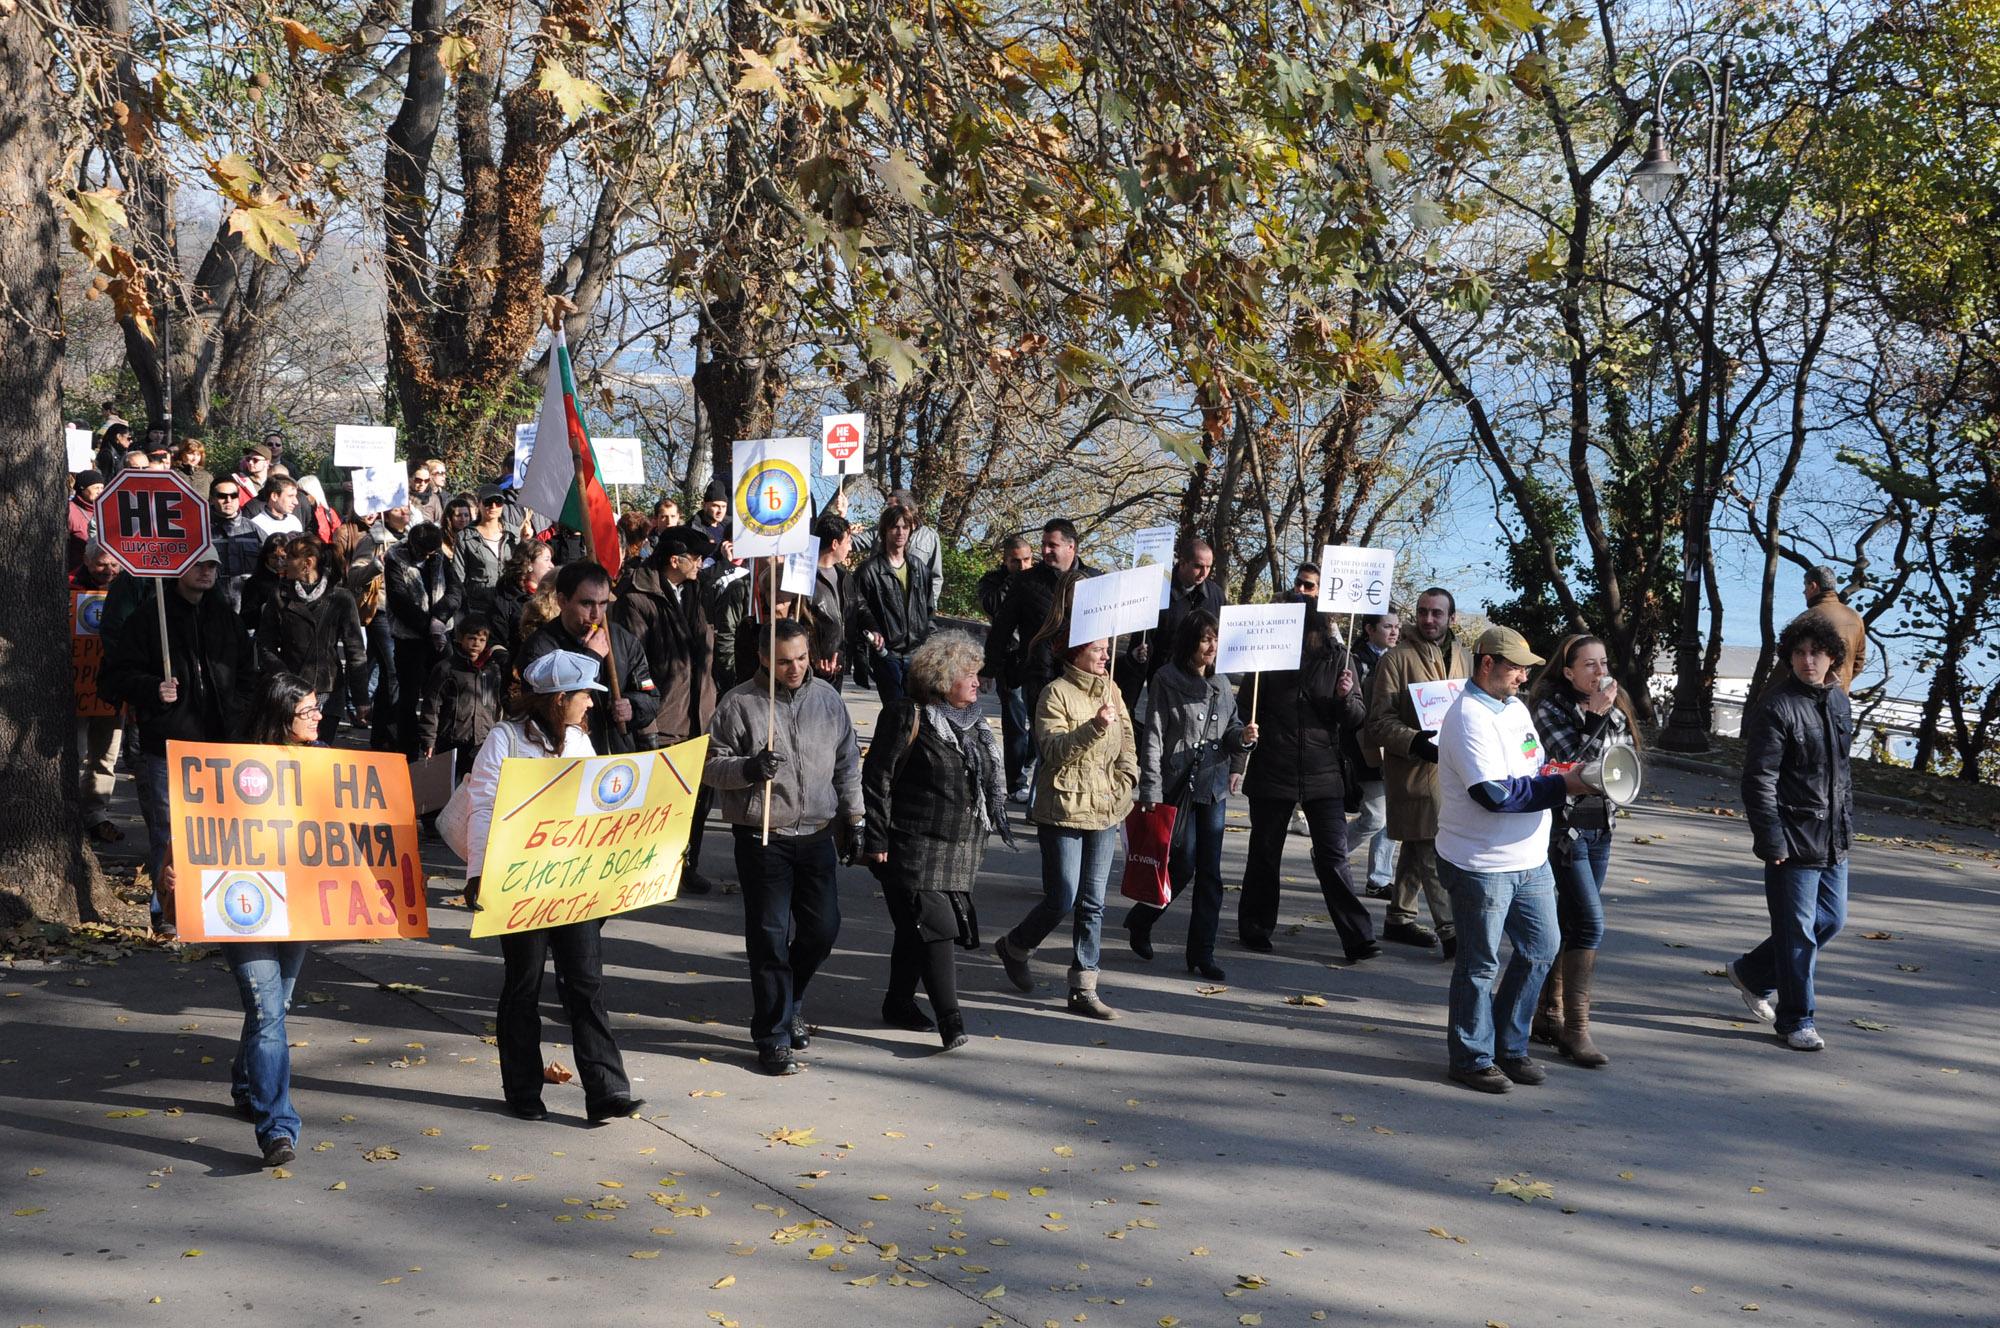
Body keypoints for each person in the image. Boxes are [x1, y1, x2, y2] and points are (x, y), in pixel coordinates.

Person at [461, 650, 646, 1122]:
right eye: (584, 695)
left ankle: (607, 1091)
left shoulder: (581, 745)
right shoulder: (504, 740)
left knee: (586, 983)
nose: (590, 704)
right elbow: (482, 806)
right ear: (559, 698)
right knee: (523, 985)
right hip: (519, 885)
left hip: (572, 885)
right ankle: (523, 1089)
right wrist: (479, 874)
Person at [704, 619, 864, 1075]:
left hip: (816, 831)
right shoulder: (740, 703)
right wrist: (749, 769)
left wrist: (854, 816)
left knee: (823, 929)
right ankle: (772, 1035)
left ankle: (791, 997)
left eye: (800, 658)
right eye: (783, 661)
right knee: (770, 937)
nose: (794, 668)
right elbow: (710, 766)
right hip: (762, 836)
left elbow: (848, 760)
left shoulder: (828, 700)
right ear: (762, 659)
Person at [1435, 627, 1589, 1094]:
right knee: (1479, 964)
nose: (1525, 675)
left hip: (1529, 858)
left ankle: (1508, 1044)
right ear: (1487, 664)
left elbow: (1530, 768)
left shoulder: (1515, 708)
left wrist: (1565, 774)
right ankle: (1471, 1057)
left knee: (1542, 948)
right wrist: (1565, 786)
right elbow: (1493, 794)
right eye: (1516, 666)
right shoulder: (1465, 717)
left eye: (1526, 666)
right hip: (1480, 862)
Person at [861, 631, 1009, 1050]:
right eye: (969, 674)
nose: (978, 682)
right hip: (910, 843)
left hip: (958, 849)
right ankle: (951, 1020)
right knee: (937, 926)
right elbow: (878, 778)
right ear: (942, 678)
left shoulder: (974, 722)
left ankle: (898, 1002)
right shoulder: (908, 715)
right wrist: (876, 838)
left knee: (915, 930)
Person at [99, 548, 252, 935]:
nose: (207, 572)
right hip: (167, 744)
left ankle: (215, 910)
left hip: (220, 744)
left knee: (222, 832)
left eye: (213, 565)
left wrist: (241, 711)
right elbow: (115, 677)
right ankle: (169, 912)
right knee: (168, 831)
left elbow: (250, 672)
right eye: (199, 564)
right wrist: (152, 688)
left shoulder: (226, 619)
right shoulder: (150, 619)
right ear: (177, 568)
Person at [1725, 614, 1854, 1053]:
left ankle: (1754, 973)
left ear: (1832, 657)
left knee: (1831, 921)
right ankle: (1796, 1019)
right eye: (1799, 653)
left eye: (1815, 652)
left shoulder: (1838, 702)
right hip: (1792, 838)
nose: (1807, 660)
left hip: (1832, 837)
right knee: (1797, 931)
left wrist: (1845, 824)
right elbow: (1758, 778)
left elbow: (1840, 774)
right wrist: (1771, 837)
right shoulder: (1777, 705)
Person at [994, 635, 1137, 1019]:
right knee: (1063, 897)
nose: (1107, 655)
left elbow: (1127, 743)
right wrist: (1094, 725)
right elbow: (1053, 752)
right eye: (1098, 649)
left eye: (1108, 649)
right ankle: (1015, 946)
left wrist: (1127, 778)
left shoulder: (1113, 689)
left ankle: (1083, 987)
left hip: (1106, 808)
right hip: (1063, 808)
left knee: (1093, 902)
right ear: (1076, 653)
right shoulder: (1054, 694)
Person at [1233, 599, 1382, 963]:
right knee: (1265, 853)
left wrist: (1346, 698)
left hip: (1323, 771)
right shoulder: (1264, 659)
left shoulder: (1339, 658)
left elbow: (1355, 717)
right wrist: (1241, 753)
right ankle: (1255, 926)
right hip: (1273, 767)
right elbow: (1244, 712)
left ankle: (1358, 935)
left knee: (1333, 855)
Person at [221, 672, 323, 1166]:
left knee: (275, 1003)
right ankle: (277, 1127)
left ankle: (246, 1083)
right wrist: (170, 874)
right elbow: (200, 823)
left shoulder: (323, 764)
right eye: (309, 711)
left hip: (298, 902)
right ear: (282, 716)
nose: (318, 717)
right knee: (266, 1013)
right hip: (247, 903)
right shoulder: (233, 765)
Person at [1526, 634, 1638, 1068]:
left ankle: (1548, 1012)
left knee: (1570, 921)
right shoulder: (1549, 707)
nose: (1599, 672)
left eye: (1603, 663)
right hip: (1564, 829)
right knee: (1590, 924)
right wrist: (1593, 720)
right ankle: (1576, 1030)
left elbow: (1620, 761)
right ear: (1568, 671)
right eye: (1588, 665)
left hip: (1599, 826)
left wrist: (1608, 720)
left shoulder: (1613, 706)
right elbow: (1567, 765)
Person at [1132, 610, 1256, 979]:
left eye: (1216, 639)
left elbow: (1231, 730)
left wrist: (1243, 743)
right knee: (1183, 863)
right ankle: (1142, 918)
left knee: (1211, 875)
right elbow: (1153, 735)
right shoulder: (1166, 679)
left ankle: (1202, 953)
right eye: (1205, 639)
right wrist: (1150, 787)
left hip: (1213, 786)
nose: (1212, 646)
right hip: (1177, 785)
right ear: (1190, 641)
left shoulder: (1221, 680)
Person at [614, 525, 720, 894]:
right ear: (675, 560)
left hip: (699, 714)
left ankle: (686, 864)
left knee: (698, 800)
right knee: (658, 801)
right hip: (662, 715)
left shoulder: (697, 591)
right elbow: (633, 664)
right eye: (696, 558)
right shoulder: (636, 598)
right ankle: (646, 869)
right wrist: (645, 720)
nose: (702, 564)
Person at [1364, 587, 1468, 956]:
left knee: (1417, 842)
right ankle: (1453, 932)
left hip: (1453, 770)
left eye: (1437, 613)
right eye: (1423, 611)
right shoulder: (1395, 659)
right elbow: (1377, 723)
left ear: (1451, 618)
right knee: (1432, 848)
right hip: (1413, 769)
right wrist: (1414, 741)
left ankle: (1399, 918)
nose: (1428, 619)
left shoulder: (1464, 657)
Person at [519, 561, 658, 753]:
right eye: (586, 604)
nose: (596, 614)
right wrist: (591, 657)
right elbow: (541, 708)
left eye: (603, 604)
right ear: (562, 601)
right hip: (564, 755)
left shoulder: (623, 639)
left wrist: (633, 707)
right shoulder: (541, 645)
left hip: (616, 754)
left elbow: (650, 695)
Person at [257, 535, 367, 743]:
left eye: (289, 557)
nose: (283, 562)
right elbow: (265, 645)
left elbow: (356, 652)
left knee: (319, 757)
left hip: (327, 690)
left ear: (307, 564)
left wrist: (361, 699)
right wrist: (285, 680)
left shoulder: (341, 598)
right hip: (289, 693)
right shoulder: (279, 595)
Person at [983, 518, 1097, 711]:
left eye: (1052, 545)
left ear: (1071, 546)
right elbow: (1002, 627)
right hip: (1039, 678)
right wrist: (988, 669)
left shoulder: (1096, 580)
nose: (1045, 551)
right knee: (1040, 738)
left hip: (1082, 679)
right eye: (1043, 545)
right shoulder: (1025, 581)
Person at [382, 522, 462, 755]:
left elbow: (455, 590)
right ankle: (408, 749)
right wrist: (429, 626)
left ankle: (438, 744)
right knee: (408, 696)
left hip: (440, 636)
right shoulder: (396, 559)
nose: (427, 556)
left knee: (442, 691)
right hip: (410, 638)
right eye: (423, 552)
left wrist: (439, 619)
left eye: (431, 552)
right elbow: (399, 600)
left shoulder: (439, 557)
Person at [854, 505, 937, 709]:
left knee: (920, 714)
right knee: (896, 713)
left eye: (904, 527)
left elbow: (928, 609)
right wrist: (873, 629)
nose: (900, 532)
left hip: (917, 652)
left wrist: (932, 645)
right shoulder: (869, 570)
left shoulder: (919, 568)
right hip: (887, 653)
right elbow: (859, 608)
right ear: (884, 531)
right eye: (894, 527)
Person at [1345, 609, 1401, 898]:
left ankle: (1379, 879)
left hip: (1394, 745)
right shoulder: (1353, 661)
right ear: (1369, 629)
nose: (1394, 632)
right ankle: (1332, 853)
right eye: (1387, 626)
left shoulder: (1400, 658)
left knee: (1392, 817)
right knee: (1376, 816)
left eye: (1397, 626)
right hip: (1364, 747)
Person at [71, 541, 125, 843]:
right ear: (88, 562)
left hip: (112, 691)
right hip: (76, 688)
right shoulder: (66, 588)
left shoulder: (128, 590)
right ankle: (69, 815)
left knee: (106, 757)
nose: (109, 570)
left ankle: (96, 816)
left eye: (115, 564)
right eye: (103, 564)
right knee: (75, 755)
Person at [977, 536, 1038, 800]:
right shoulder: (993, 581)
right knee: (1014, 720)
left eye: (1027, 560)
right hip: (1008, 658)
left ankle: (1024, 759)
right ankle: (1015, 782)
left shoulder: (1040, 579)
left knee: (1040, 721)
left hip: (1036, 658)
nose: (1023, 566)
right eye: (1016, 561)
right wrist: (1015, 581)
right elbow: (992, 606)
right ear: (1005, 561)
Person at [417, 617, 505, 777]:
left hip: (482, 741)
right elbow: (432, 706)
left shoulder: (493, 670)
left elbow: (497, 705)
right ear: (460, 638)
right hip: (451, 740)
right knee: (446, 787)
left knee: (475, 787)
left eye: (482, 639)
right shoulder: (446, 669)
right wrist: (429, 739)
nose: (476, 643)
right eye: (471, 638)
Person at [1135, 536, 1223, 686]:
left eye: (1208, 567)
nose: (1204, 573)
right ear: (1182, 562)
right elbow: (1144, 640)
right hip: (1164, 676)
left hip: (1202, 678)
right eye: (1198, 566)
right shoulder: (1158, 591)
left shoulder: (1215, 594)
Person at [1801, 565, 1866, 694]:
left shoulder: (1808, 618)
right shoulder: (1855, 617)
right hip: (1839, 698)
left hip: (1807, 698)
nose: (1804, 592)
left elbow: (1790, 663)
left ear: (1813, 586)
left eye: (1805, 586)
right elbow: (1858, 663)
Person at [810, 513, 856, 690]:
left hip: (837, 664)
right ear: (835, 544)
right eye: (848, 541)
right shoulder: (805, 578)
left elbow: (858, 610)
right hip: (813, 668)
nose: (850, 548)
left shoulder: (845, 577)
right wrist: (814, 658)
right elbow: (800, 622)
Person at [491, 541, 553, 653]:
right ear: (529, 564)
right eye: (546, 559)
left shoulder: (553, 595)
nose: (551, 565)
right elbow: (497, 640)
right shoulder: (505, 597)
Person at [887, 489, 946, 604]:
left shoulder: (930, 536)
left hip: (916, 607)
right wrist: (842, 514)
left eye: (891, 506)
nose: (887, 510)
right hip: (886, 605)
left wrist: (929, 607)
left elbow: (936, 576)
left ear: (905, 509)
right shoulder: (881, 531)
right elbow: (852, 542)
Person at [237, 534, 293, 637]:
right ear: (266, 557)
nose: (279, 562)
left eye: (283, 557)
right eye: (274, 557)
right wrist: (265, 609)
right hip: (267, 637)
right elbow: (246, 619)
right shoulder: (254, 582)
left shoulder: (295, 578)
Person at [66, 470, 103, 571]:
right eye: (96, 488)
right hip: (76, 574)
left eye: (102, 487)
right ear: (82, 489)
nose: (100, 491)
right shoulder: (69, 510)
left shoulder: (105, 509)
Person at [250, 476, 305, 541]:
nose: (296, 502)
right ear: (274, 496)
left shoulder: (294, 521)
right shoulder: (256, 525)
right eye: (290, 496)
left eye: (295, 496)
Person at [406, 461, 444, 525]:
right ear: (410, 478)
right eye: (418, 480)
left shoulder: (433, 498)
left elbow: (440, 520)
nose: (422, 484)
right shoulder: (403, 497)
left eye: (426, 480)